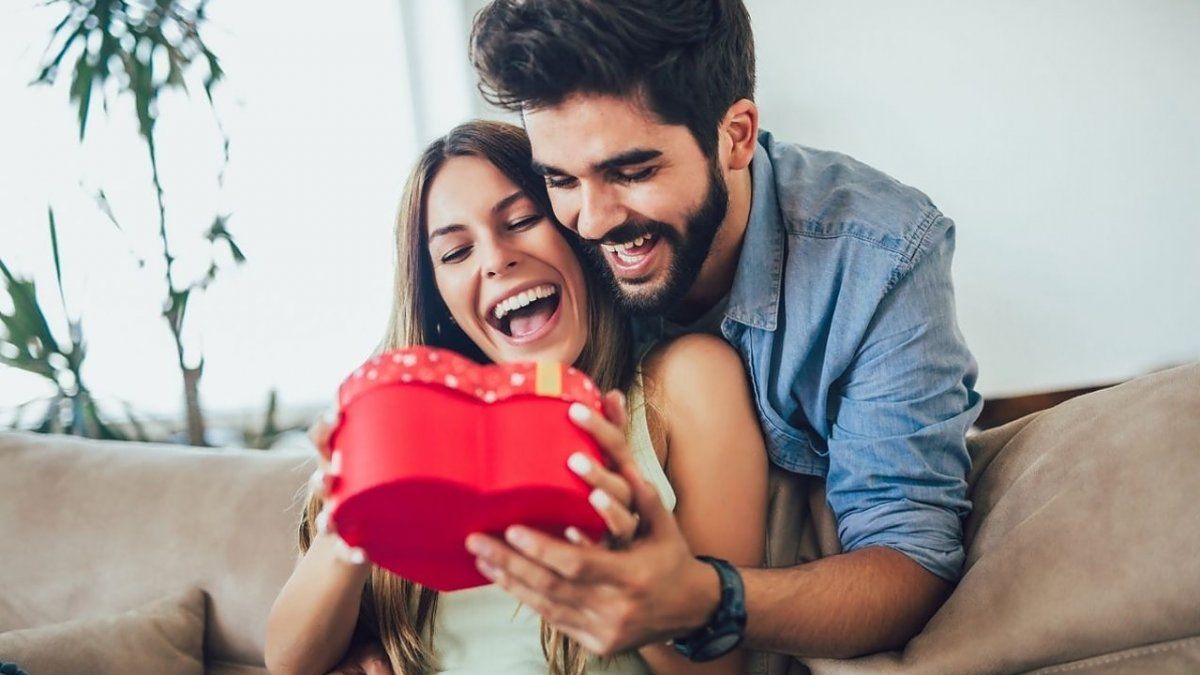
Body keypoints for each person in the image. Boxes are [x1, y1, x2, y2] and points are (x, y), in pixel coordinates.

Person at [463, 0, 983, 663]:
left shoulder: (880, 254)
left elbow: (910, 561)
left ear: (736, 135)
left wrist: (703, 598)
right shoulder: (544, 240)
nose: (591, 220)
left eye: (632, 172)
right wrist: (373, 627)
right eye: (561, 179)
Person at [264, 120, 768, 675]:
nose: (495, 259)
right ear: (440, 300)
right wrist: (350, 523)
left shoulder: (686, 382)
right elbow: (289, 663)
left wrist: (612, 558)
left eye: (523, 221)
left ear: (578, 233)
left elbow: (721, 670)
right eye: (456, 252)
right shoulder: (416, 435)